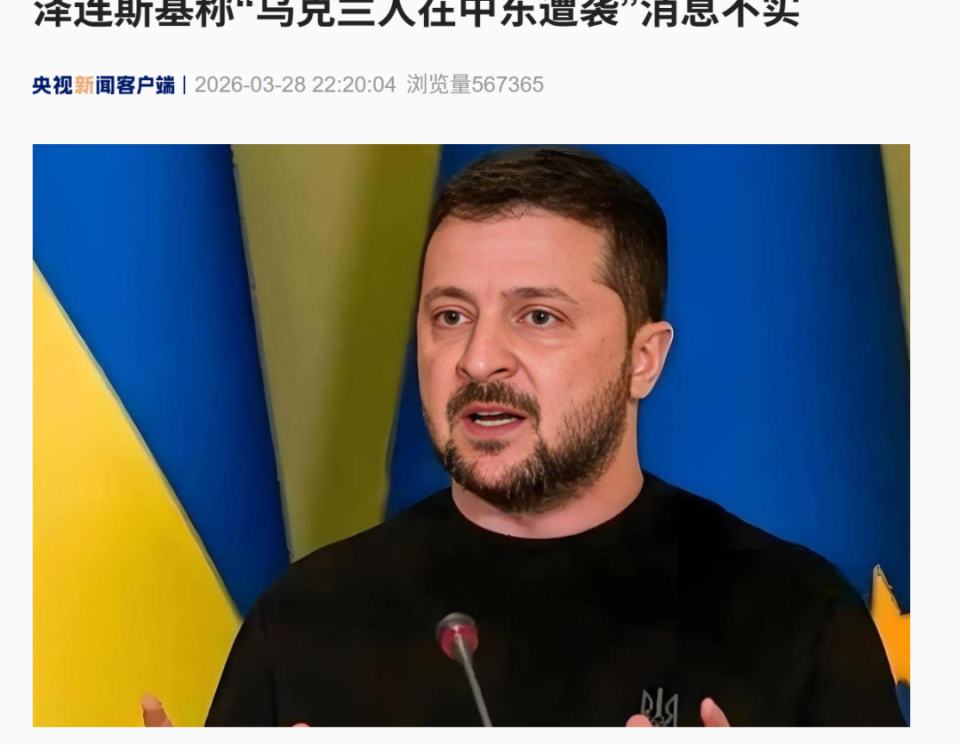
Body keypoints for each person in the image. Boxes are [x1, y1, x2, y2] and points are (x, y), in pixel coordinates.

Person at [146, 147, 905, 727]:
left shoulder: (797, 617)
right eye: (450, 316)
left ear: (643, 359)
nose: (479, 358)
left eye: (538, 316)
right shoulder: (306, 622)